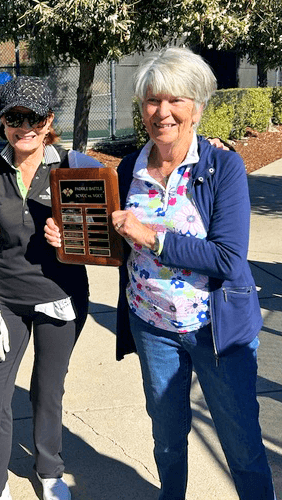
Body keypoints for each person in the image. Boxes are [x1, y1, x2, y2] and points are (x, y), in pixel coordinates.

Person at [109, 47, 275, 499]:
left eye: (176, 100)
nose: (162, 112)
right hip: (153, 327)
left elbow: (228, 257)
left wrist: (153, 238)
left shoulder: (223, 167)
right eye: (152, 100)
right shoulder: (128, 170)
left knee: (241, 444)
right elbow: (114, 240)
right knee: (166, 440)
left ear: (198, 107)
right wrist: (66, 238)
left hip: (216, 331)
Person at [0, 76, 102, 500]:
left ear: (49, 120)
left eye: (33, 116)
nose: (24, 126)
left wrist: (70, 240)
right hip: (9, 300)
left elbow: (104, 233)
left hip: (60, 297)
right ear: (3, 123)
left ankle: (50, 470)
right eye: (14, 117)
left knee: (47, 390)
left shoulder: (73, 167)